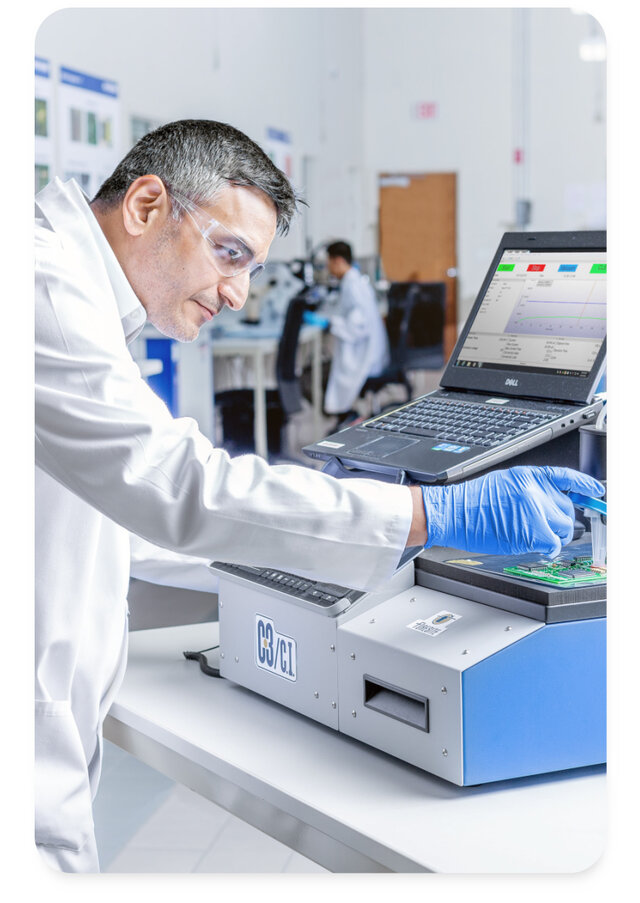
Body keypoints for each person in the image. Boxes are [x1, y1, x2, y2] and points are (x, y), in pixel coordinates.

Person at [35, 119, 604, 872]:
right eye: (228, 253)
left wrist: (348, 548)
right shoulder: (39, 288)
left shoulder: (74, 295)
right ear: (146, 204)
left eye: (252, 267)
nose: (237, 293)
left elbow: (124, 513)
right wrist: (431, 514)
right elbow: (178, 488)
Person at [322, 240, 390, 425]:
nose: (328, 268)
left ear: (337, 260)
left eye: (328, 262)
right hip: (370, 350)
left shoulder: (352, 285)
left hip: (365, 356)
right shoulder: (354, 280)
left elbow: (358, 327)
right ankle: (347, 415)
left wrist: (330, 323)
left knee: (317, 375)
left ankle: (349, 416)